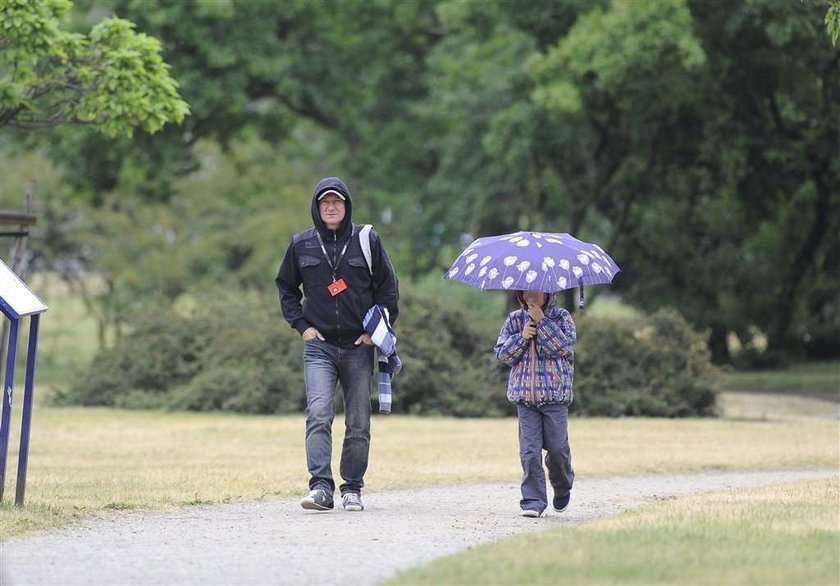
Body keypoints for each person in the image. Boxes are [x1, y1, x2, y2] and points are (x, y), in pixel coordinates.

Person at [275, 177, 399, 512]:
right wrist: (301, 326)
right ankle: (320, 488)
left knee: (358, 421)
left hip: (359, 347)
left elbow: (388, 289)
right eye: (324, 203)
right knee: (318, 414)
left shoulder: (367, 240)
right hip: (320, 347)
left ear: (347, 206)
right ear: (316, 208)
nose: (331, 207)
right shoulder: (301, 244)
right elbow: (286, 287)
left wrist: (375, 333)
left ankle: (352, 487)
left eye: (337, 202)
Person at [494, 290, 576, 517]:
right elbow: (502, 354)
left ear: (547, 293)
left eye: (536, 291)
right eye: (526, 291)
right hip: (525, 399)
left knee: (558, 450)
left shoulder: (562, 318)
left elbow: (563, 347)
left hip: (555, 398)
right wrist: (522, 337)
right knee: (529, 453)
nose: (530, 296)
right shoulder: (514, 319)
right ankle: (533, 501)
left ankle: (562, 486)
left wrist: (542, 322)